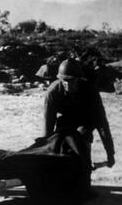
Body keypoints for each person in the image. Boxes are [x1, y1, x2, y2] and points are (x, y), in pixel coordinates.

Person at [43, 58, 115, 194]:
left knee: (82, 138)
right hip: (65, 121)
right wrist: (47, 151)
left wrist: (110, 153)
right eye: (65, 81)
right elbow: (48, 126)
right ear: (59, 80)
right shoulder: (52, 92)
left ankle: (84, 182)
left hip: (86, 120)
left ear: (79, 79)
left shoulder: (90, 90)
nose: (68, 86)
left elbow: (102, 124)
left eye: (72, 81)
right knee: (59, 142)